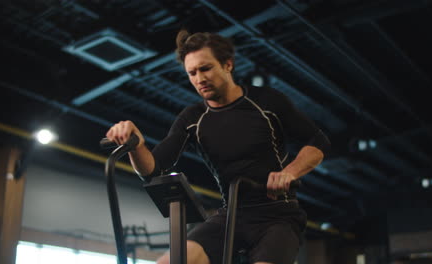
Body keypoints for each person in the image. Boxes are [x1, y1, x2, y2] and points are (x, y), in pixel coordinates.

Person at [106, 30, 330, 264]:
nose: (199, 78)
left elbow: (318, 141)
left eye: (205, 68)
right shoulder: (192, 118)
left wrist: (290, 172)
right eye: (191, 73)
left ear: (228, 64)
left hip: (278, 215)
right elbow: (152, 169)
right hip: (231, 214)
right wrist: (136, 144)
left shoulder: (267, 102)